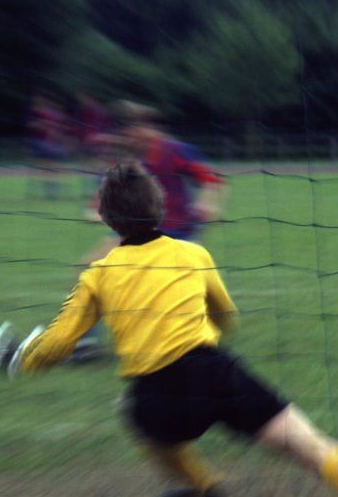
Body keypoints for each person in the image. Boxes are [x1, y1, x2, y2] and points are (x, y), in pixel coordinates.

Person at [0, 162, 338, 497]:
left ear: (106, 219)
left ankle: (203, 491)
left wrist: (16, 357)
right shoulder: (192, 254)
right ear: (161, 207)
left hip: (155, 395)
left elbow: (59, 345)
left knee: (132, 413)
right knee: (308, 444)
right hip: (215, 374)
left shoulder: (97, 275)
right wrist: (210, 333)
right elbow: (225, 315)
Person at [71, 102, 225, 361]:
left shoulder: (175, 151)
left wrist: (207, 203)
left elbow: (210, 180)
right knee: (88, 268)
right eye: (127, 131)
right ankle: (84, 345)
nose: (133, 136)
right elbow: (98, 201)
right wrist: (96, 212)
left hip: (177, 233)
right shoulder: (123, 161)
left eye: (137, 129)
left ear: (149, 127)